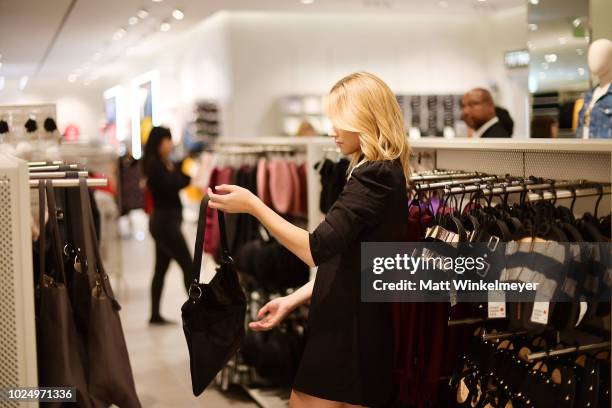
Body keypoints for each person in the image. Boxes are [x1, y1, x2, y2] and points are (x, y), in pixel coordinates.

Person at [208, 72, 410, 408]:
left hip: (350, 330)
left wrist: (255, 206)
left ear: (365, 120)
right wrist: (294, 299)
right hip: (349, 323)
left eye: (339, 121)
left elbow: (316, 249)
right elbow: (352, 263)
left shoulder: (375, 175)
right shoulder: (371, 171)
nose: (331, 131)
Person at [141, 126, 192, 325]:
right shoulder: (154, 165)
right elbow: (173, 185)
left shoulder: (163, 163)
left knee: (161, 268)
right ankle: (196, 310)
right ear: (159, 143)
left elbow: (177, 179)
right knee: (188, 265)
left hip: (165, 222)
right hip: (165, 223)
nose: (170, 144)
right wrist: (184, 178)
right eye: (167, 140)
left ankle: (155, 314)